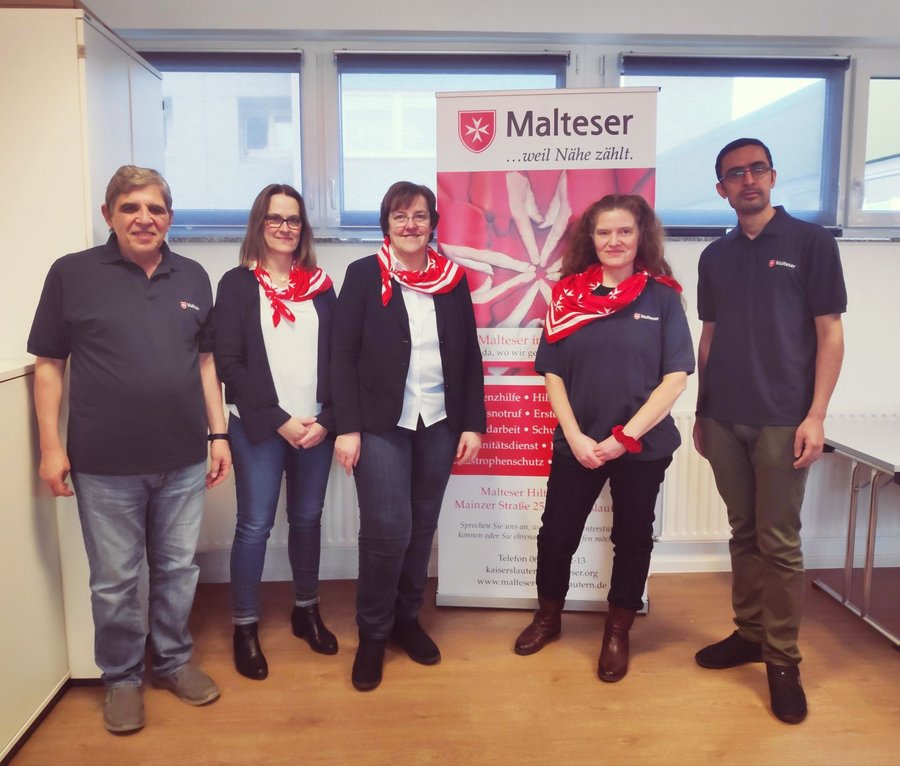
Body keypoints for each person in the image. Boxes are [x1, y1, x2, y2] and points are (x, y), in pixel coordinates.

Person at [28, 165, 231, 733]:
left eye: (156, 209)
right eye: (131, 208)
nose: (145, 218)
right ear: (109, 215)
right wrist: (50, 448)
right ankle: (120, 678)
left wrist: (218, 435)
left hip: (183, 460)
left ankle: (172, 662)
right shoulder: (71, 274)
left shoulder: (193, 276)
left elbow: (206, 363)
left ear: (170, 217)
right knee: (115, 581)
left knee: (177, 570)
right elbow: (49, 365)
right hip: (104, 464)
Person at [693, 138, 846, 725]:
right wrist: (703, 411)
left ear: (773, 176)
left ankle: (782, 660)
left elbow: (829, 332)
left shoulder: (811, 242)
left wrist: (816, 415)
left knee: (778, 541)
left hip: (784, 418)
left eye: (757, 169)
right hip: (724, 418)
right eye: (735, 174)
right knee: (744, 531)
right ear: (722, 189)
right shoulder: (715, 256)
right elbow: (710, 336)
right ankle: (750, 634)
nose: (748, 180)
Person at [514, 194, 694, 682]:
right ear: (590, 239)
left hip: (641, 446)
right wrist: (574, 436)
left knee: (632, 538)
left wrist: (624, 438)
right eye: (604, 232)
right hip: (578, 444)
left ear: (641, 236)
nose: (614, 241)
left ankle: (618, 631)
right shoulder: (567, 296)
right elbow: (553, 374)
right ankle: (548, 617)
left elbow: (676, 378)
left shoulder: (662, 298)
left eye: (625, 231)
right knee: (556, 535)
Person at [331, 181, 487, 691]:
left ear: (432, 224)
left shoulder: (452, 279)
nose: (410, 225)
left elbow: (469, 354)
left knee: (421, 527)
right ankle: (373, 634)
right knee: (387, 529)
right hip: (380, 423)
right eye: (400, 216)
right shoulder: (363, 274)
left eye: (420, 216)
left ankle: (406, 619)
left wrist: (473, 422)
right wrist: (347, 427)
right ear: (386, 224)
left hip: (439, 421)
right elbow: (342, 355)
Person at [214, 184, 338, 681]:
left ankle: (306, 610)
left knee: (307, 519)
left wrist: (327, 419)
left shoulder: (321, 286)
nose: (285, 227)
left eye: (293, 219)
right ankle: (244, 626)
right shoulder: (238, 284)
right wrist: (278, 419)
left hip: (315, 428)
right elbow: (230, 363)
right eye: (275, 218)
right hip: (259, 427)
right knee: (255, 525)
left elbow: (340, 356)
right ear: (259, 224)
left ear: (303, 228)